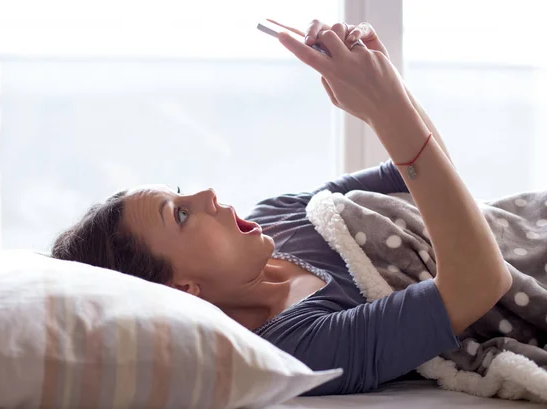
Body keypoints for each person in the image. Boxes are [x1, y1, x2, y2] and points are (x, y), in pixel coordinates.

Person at [51, 20, 513, 395]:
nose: (207, 195)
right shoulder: (297, 348)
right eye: (181, 214)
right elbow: (481, 282)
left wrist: (384, 83)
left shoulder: (276, 215)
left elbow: (422, 182)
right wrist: (385, 106)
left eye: (181, 193)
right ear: (183, 288)